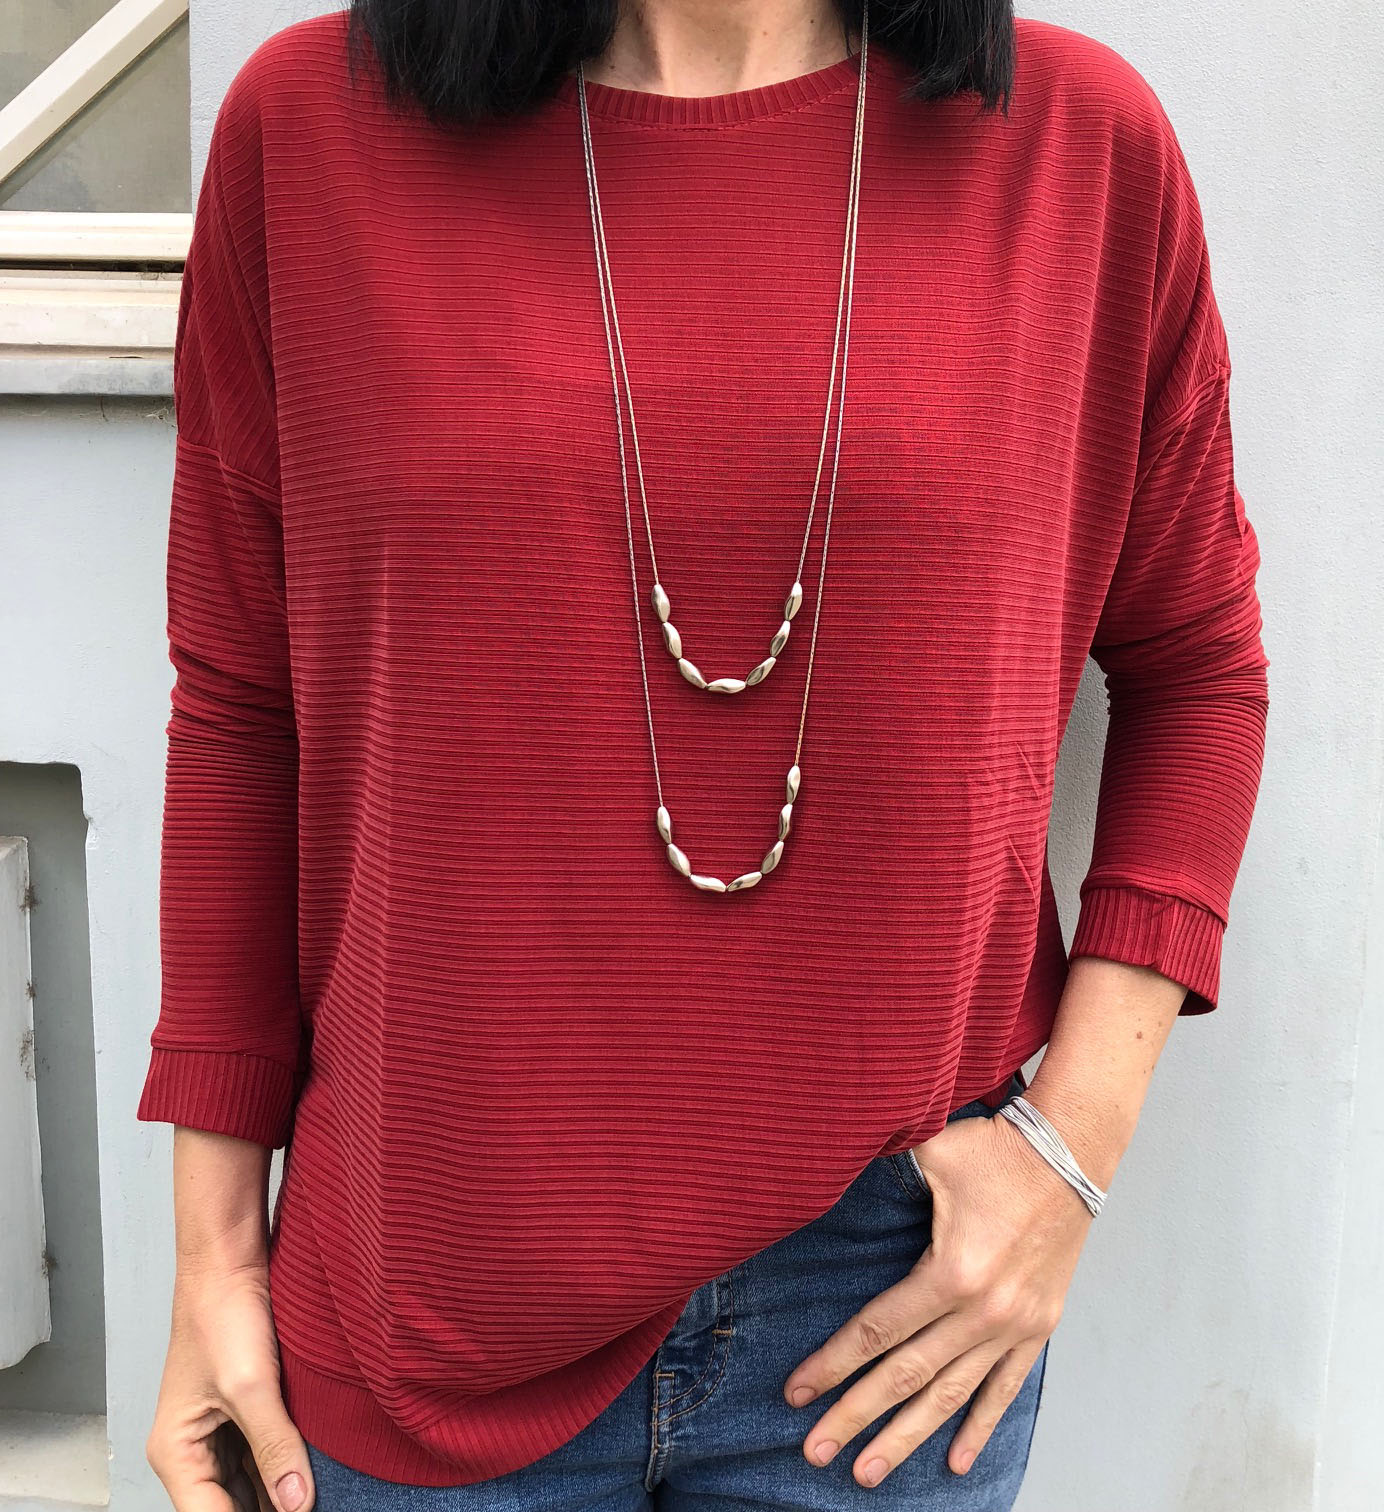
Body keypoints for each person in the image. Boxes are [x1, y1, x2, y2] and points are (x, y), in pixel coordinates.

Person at [137, 0, 1270, 1507]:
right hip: (428, 1276)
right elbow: (239, 711)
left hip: (893, 1302)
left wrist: (1071, 1156)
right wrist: (213, 1261)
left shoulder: (1079, 151)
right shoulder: (311, 133)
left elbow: (1200, 669)